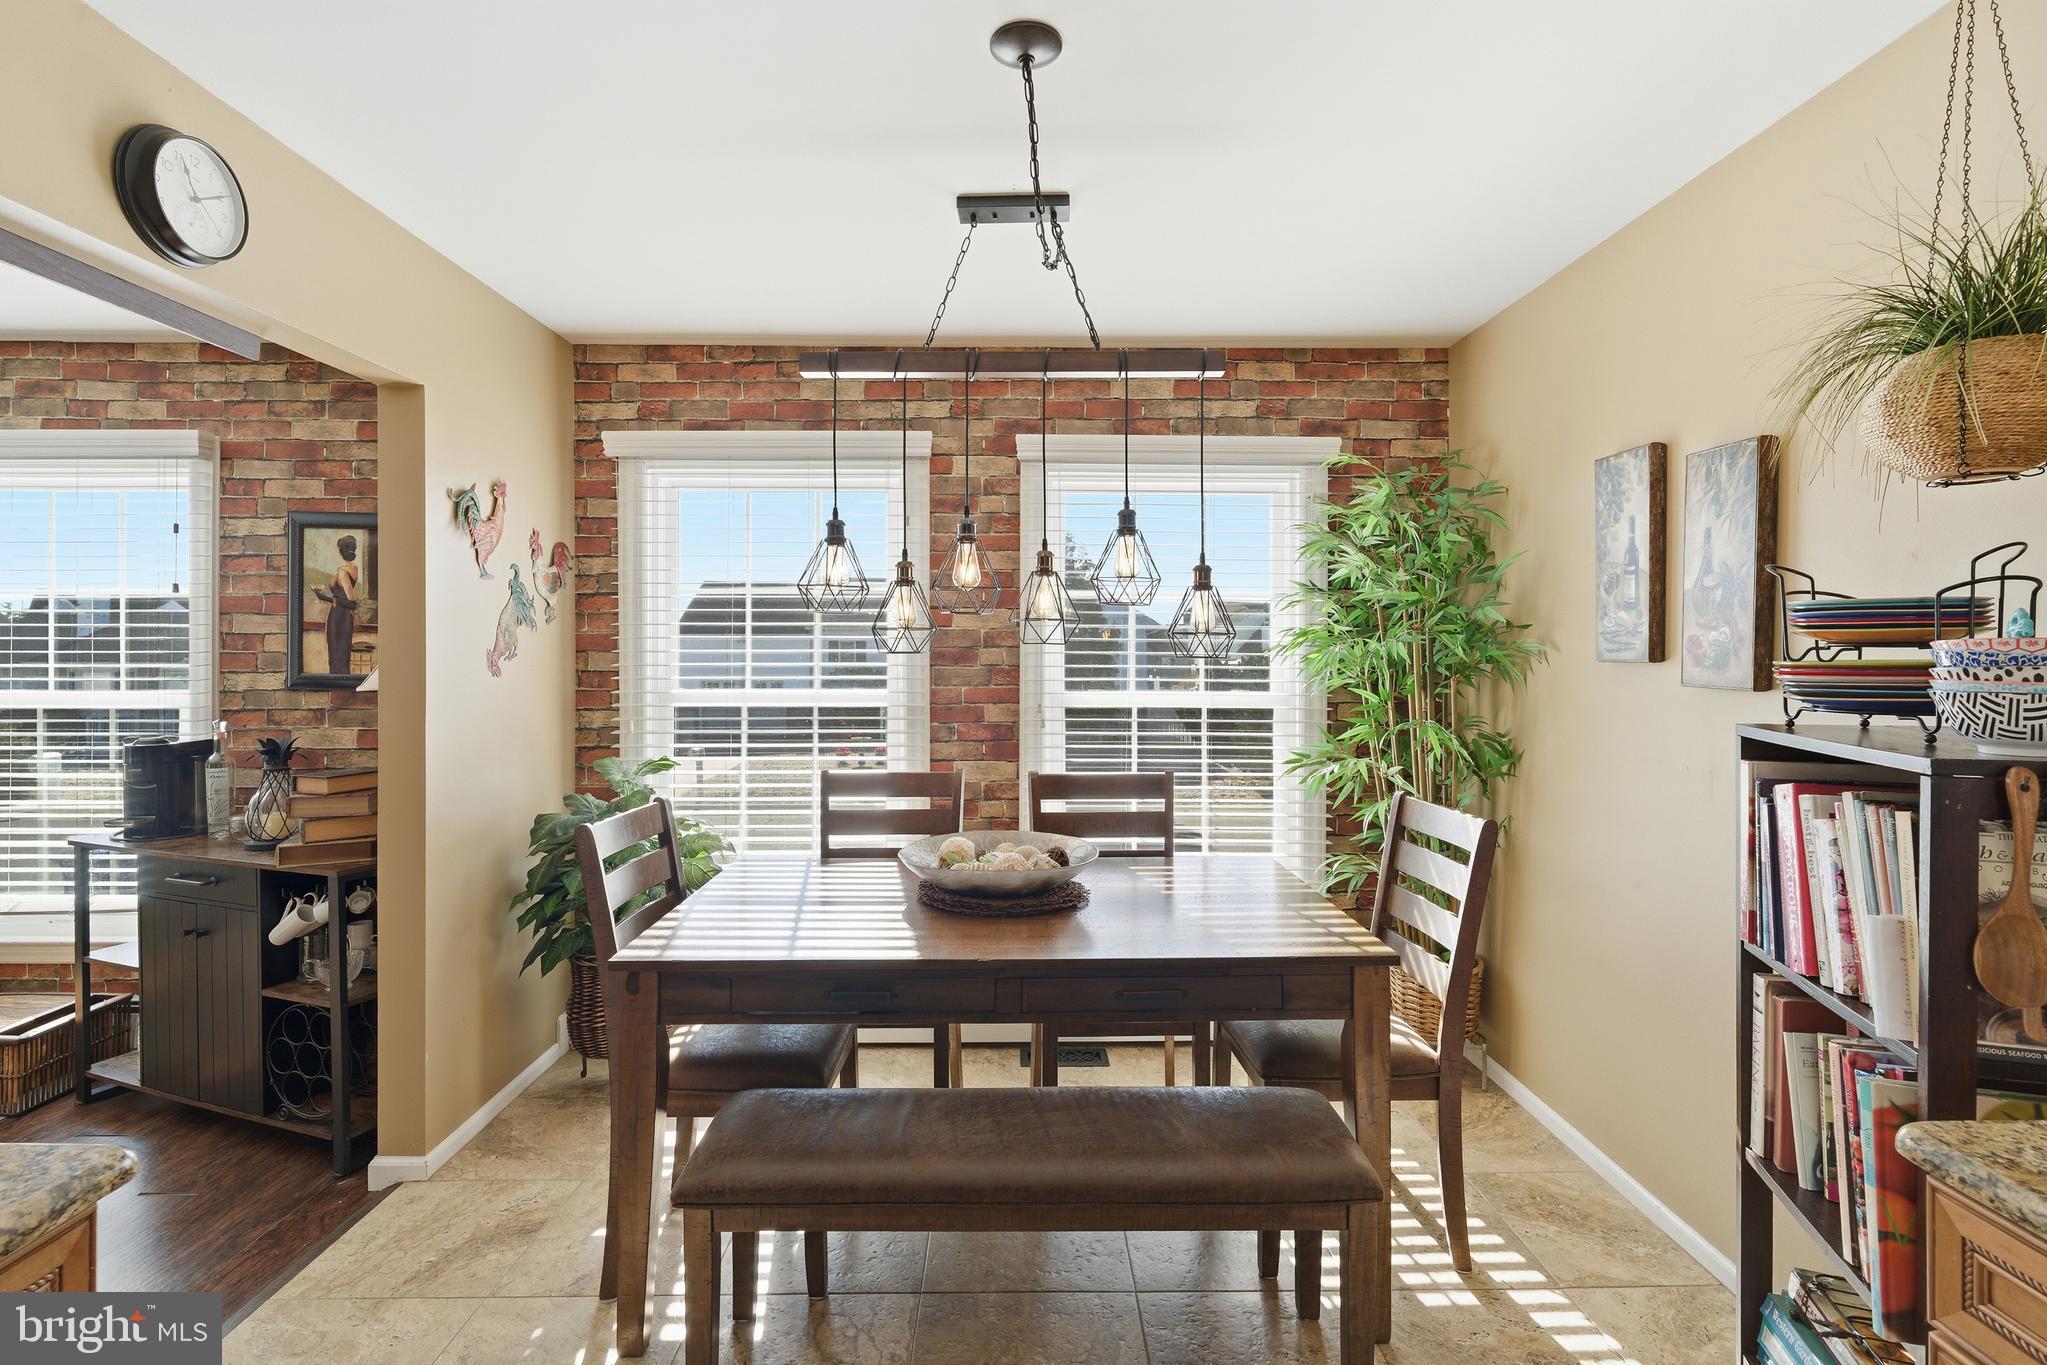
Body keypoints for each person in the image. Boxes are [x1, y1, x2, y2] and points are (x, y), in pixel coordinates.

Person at [314, 534, 360, 674]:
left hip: (339, 617)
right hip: (344, 617)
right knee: (340, 655)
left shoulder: (342, 572)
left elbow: (352, 602)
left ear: (340, 552)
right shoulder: (353, 568)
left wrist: (324, 597)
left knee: (337, 656)